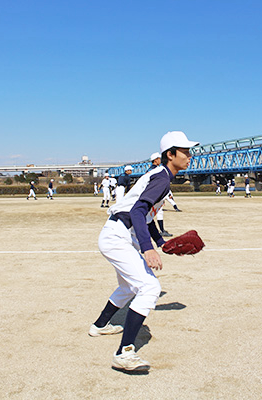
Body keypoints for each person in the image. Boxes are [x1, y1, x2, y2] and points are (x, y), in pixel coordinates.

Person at [90, 130, 199, 373]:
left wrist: (160, 243)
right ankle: (124, 352)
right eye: (185, 151)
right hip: (118, 236)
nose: (190, 155)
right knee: (150, 288)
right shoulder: (162, 178)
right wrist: (148, 249)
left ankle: (99, 325)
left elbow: (147, 217)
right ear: (170, 155)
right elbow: (138, 212)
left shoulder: (160, 175)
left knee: (129, 287)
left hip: (118, 234)